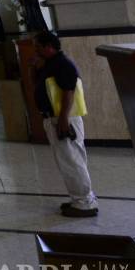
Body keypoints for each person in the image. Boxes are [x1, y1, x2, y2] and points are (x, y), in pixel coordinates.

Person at [32, 30, 97, 217]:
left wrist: (63, 119)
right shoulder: (50, 64)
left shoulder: (62, 64)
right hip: (55, 118)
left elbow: (68, 91)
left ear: (49, 47)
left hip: (64, 119)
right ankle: (79, 199)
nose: (35, 51)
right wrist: (33, 69)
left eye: (38, 47)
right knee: (67, 161)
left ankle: (85, 203)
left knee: (72, 161)